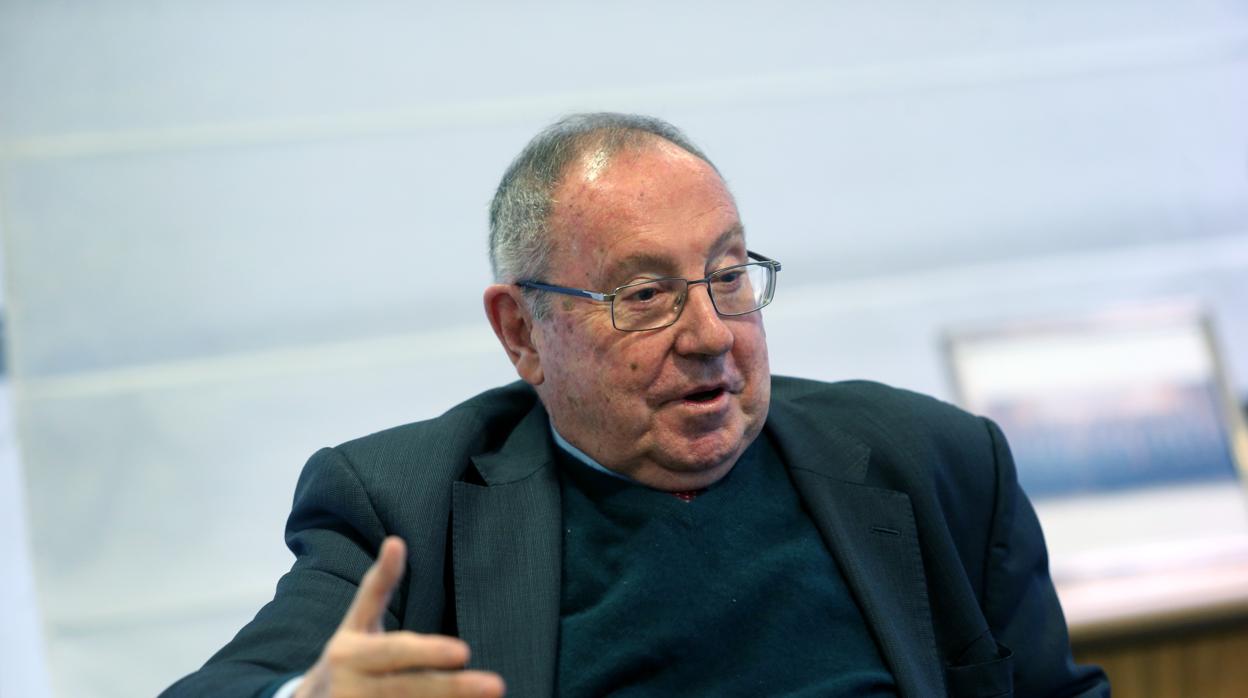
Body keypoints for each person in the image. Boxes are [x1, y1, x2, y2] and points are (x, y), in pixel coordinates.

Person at [161, 113, 1109, 697]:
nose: (711, 334)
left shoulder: (936, 463)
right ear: (522, 333)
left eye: (728, 275)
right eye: (645, 295)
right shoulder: (403, 506)